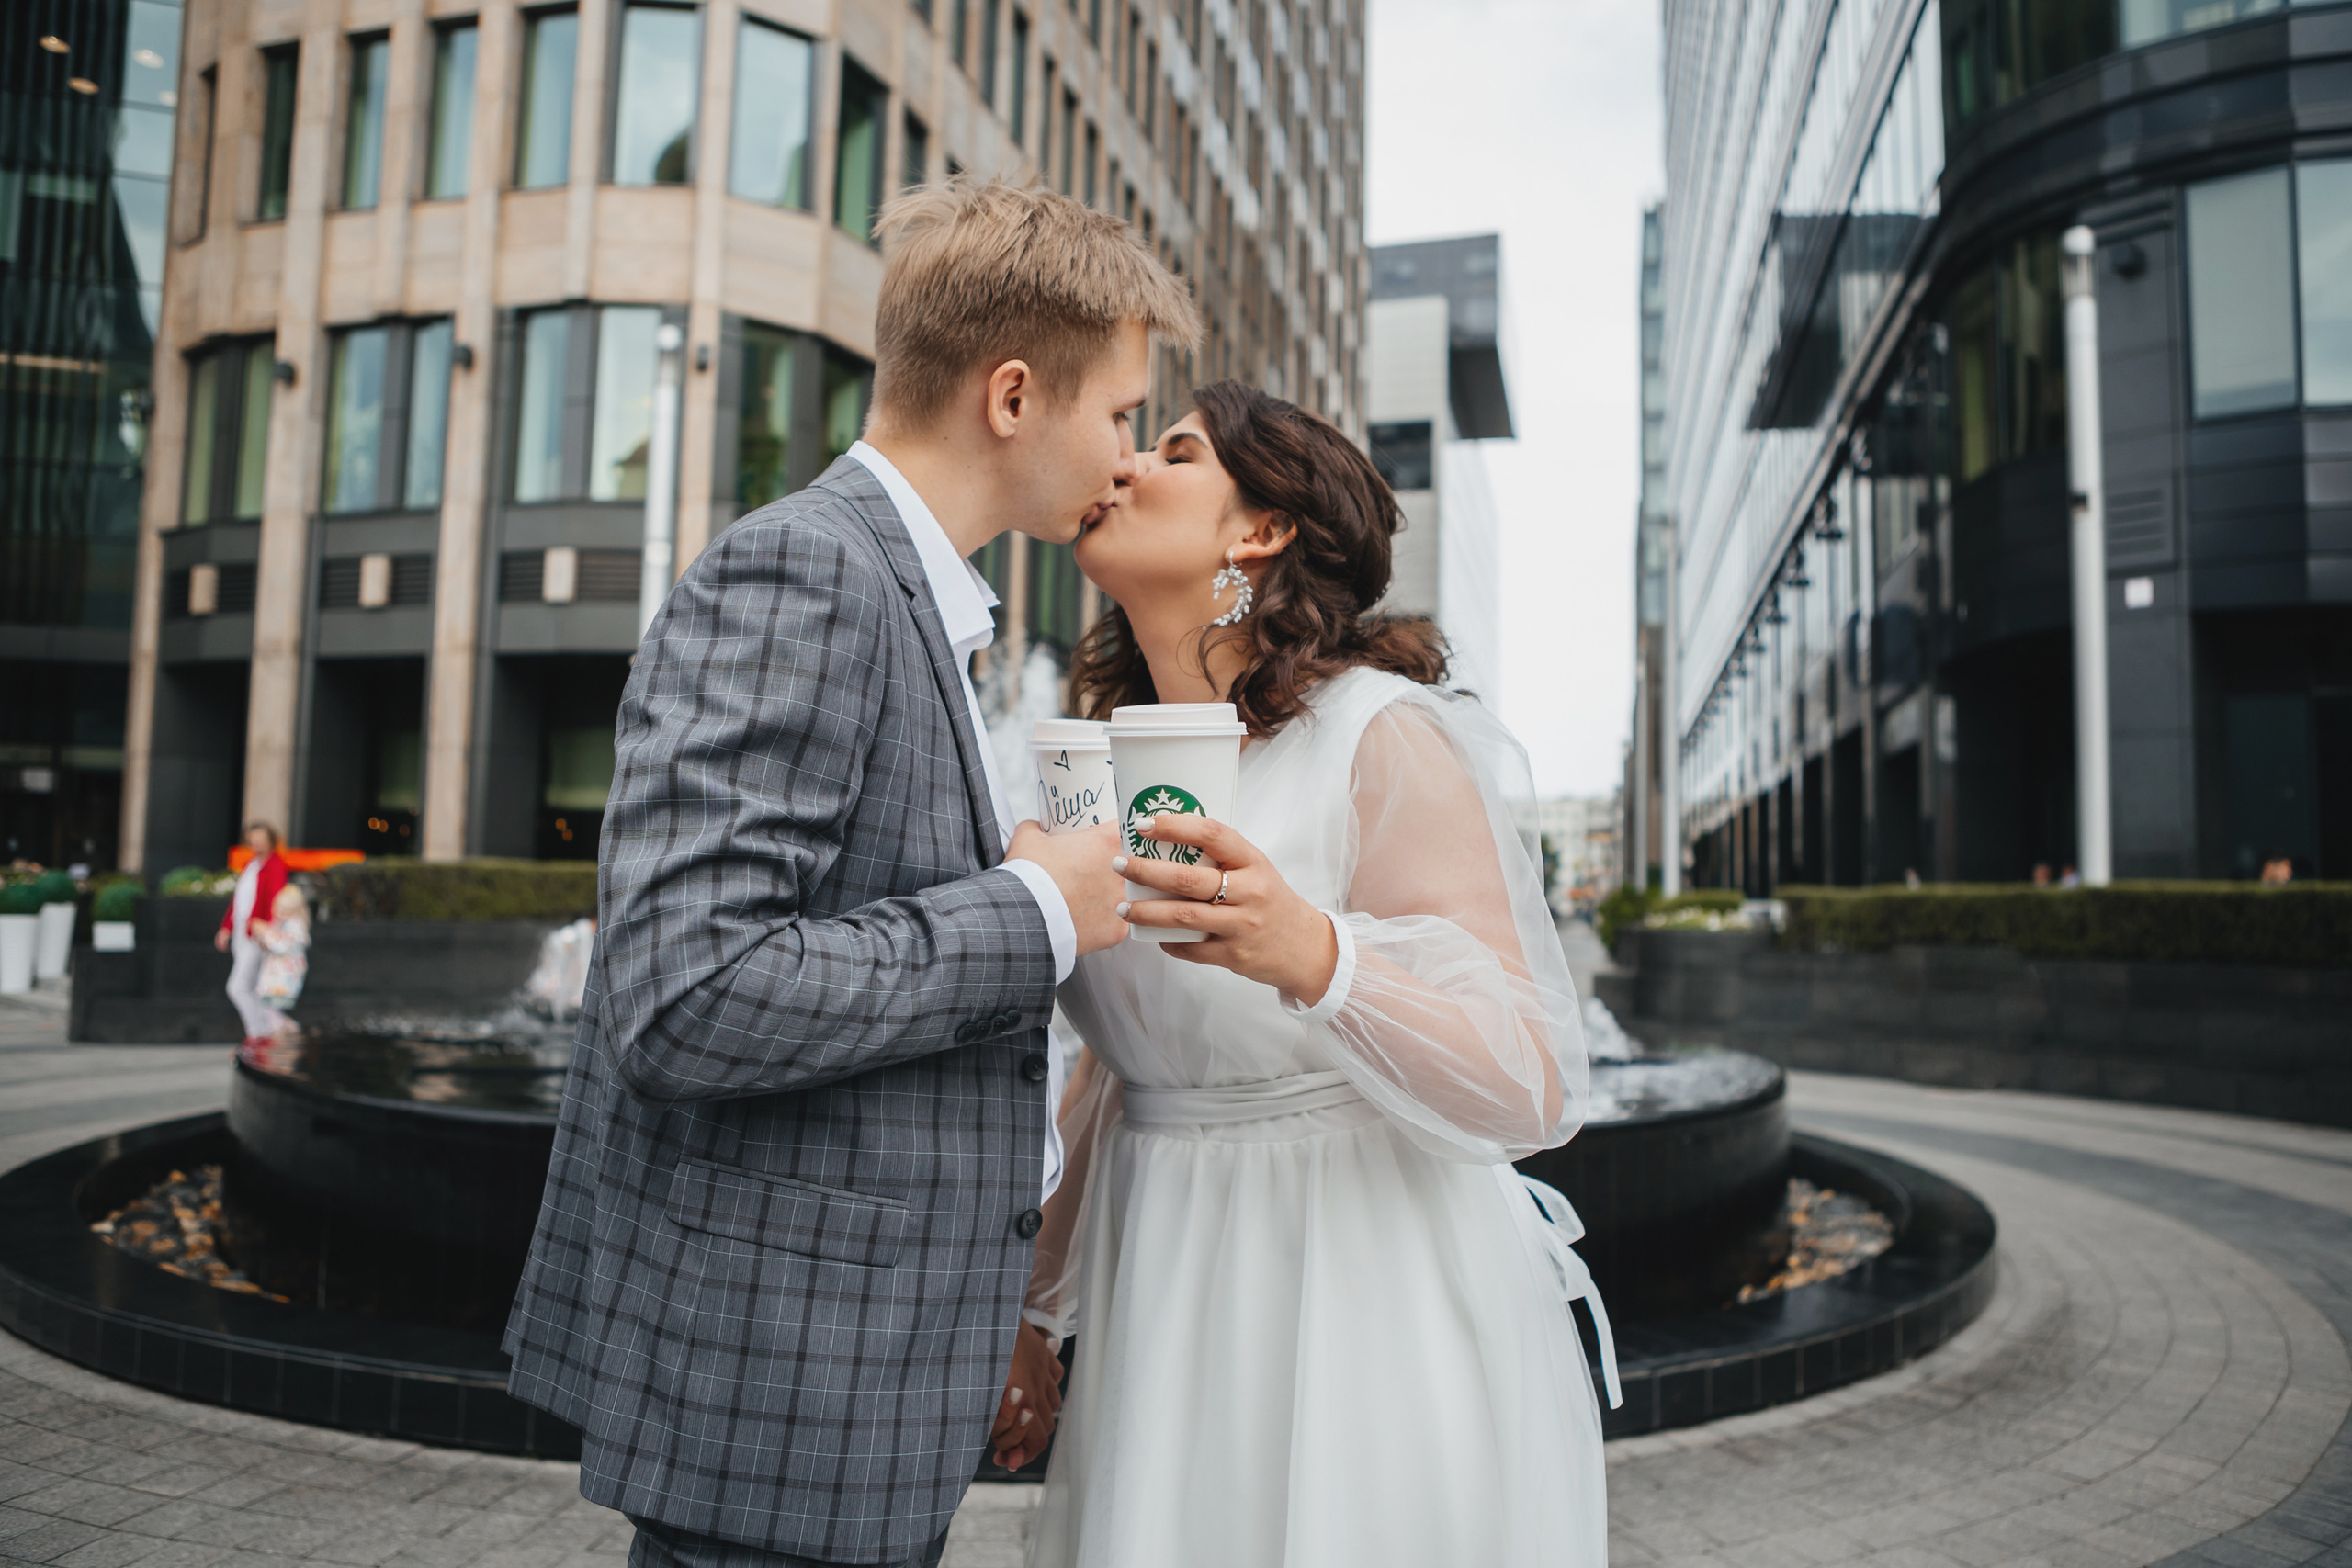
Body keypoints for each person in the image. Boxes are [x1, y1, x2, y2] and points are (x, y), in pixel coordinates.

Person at [502, 179, 1197, 1568]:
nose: (1127, 457)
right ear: (1013, 396)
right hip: (782, 1401)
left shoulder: (905, 597)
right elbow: (686, 991)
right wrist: (1040, 908)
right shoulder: (803, 574)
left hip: (846, 1396)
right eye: (1120, 413)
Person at [1000, 384, 1612, 1567]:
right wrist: (1038, 1307)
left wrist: (1312, 954)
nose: (1121, 467)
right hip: (1164, 1287)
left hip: (1359, 1288)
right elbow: (1127, 1067)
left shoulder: (1378, 735)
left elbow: (1528, 1083)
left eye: (1171, 452)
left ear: (1262, 529)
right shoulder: (1099, 764)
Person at [216, 823, 289, 1052]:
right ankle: (271, 1032)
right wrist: (226, 928)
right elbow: (238, 902)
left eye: (260, 839)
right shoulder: (251, 864)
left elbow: (275, 902)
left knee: (237, 987)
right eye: (252, 839)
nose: (256, 844)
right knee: (253, 988)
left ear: (271, 840)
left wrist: (267, 931)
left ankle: (259, 1033)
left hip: (256, 936)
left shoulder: (276, 866)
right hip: (241, 934)